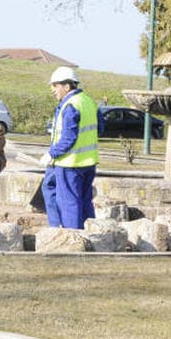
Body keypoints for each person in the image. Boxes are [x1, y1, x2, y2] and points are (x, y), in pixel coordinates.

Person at [39, 66, 100, 229]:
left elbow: (68, 138)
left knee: (69, 204)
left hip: (69, 164)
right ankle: (92, 236)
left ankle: (71, 241)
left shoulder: (70, 105)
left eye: (55, 85)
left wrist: (51, 153)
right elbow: (100, 129)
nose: (52, 90)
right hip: (88, 163)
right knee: (84, 201)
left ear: (67, 86)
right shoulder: (88, 102)